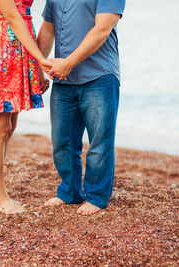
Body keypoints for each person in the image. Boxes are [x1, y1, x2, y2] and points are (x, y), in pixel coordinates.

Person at [37, 0, 126, 215]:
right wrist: (39, 68)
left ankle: (96, 197)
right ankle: (69, 193)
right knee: (62, 142)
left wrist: (68, 62)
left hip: (99, 77)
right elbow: (48, 29)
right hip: (63, 81)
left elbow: (102, 30)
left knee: (99, 144)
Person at [0, 0, 51, 214]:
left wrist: (38, 70)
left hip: (20, 46)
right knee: (0, 129)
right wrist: (41, 59)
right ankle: (0, 197)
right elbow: (14, 18)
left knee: (10, 126)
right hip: (3, 47)